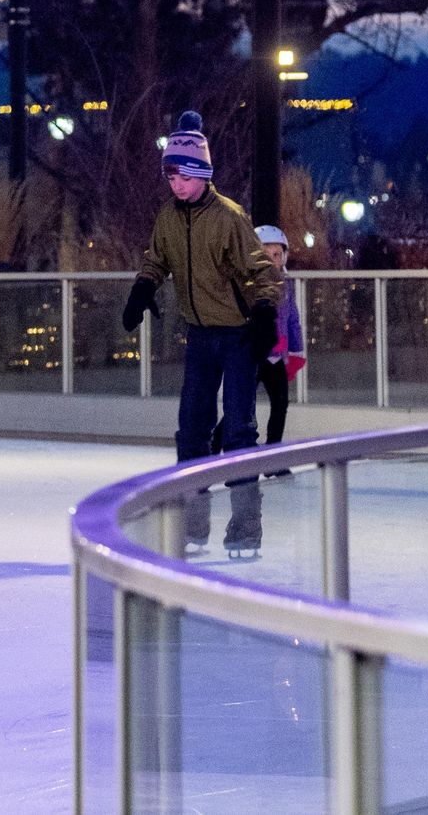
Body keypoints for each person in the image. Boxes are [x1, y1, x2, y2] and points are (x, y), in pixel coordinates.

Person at [122, 111, 282, 557]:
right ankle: (192, 525)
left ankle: (246, 528)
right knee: (191, 430)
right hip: (199, 337)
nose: (176, 184)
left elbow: (261, 270)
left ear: (202, 173)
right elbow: (157, 259)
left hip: (238, 337)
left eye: (184, 176)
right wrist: (143, 288)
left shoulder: (229, 216)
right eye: (170, 176)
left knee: (239, 431)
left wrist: (264, 311)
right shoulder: (168, 219)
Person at [249, 225, 307, 445]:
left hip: (276, 356)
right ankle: (216, 444)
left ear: (284, 257)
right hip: (253, 356)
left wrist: (296, 351)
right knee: (242, 406)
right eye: (266, 255)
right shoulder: (248, 284)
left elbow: (292, 320)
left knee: (280, 404)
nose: (273, 261)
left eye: (277, 255)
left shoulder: (285, 285)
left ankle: (273, 450)